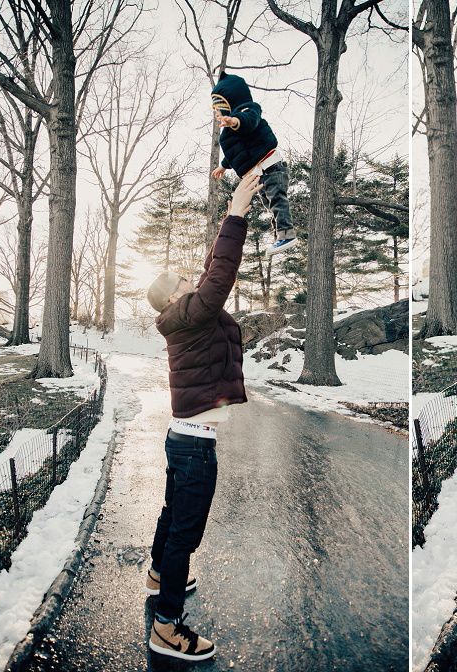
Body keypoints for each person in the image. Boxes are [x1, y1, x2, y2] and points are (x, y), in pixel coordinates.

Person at [143, 174, 263, 661]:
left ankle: (157, 573)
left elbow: (213, 267)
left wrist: (229, 216)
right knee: (185, 535)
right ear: (175, 298)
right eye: (181, 281)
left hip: (182, 439)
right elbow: (221, 274)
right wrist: (236, 212)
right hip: (194, 447)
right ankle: (167, 628)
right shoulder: (193, 312)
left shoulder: (184, 314)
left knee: (173, 517)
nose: (189, 278)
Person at [211, 70, 296, 256]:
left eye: (218, 109)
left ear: (229, 105)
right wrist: (224, 166)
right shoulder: (229, 134)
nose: (217, 114)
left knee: (277, 201)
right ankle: (280, 236)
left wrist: (234, 120)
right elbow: (236, 153)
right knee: (270, 205)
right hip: (260, 175)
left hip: (272, 167)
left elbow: (248, 121)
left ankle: (287, 234)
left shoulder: (249, 110)